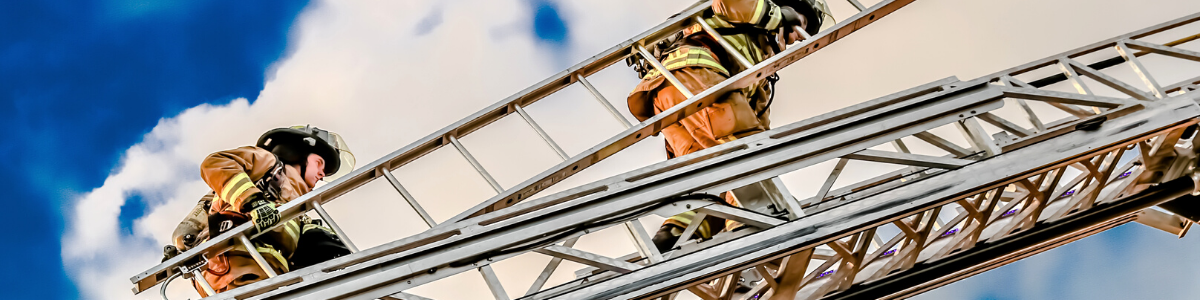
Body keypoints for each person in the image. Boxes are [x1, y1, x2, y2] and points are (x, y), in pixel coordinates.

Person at [624, 0, 833, 253]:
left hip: (671, 96)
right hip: (699, 78)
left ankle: (676, 234)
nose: (795, 36)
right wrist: (776, 15)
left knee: (707, 181)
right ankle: (751, 232)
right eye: (801, 23)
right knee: (745, 160)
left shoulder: (758, 59)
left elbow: (757, 124)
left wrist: (767, 153)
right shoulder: (750, 13)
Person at [167, 125, 357, 296]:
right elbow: (216, 163)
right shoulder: (268, 164)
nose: (322, 174)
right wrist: (253, 202)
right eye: (320, 163)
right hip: (238, 265)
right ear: (297, 153)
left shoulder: (297, 211)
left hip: (269, 274)